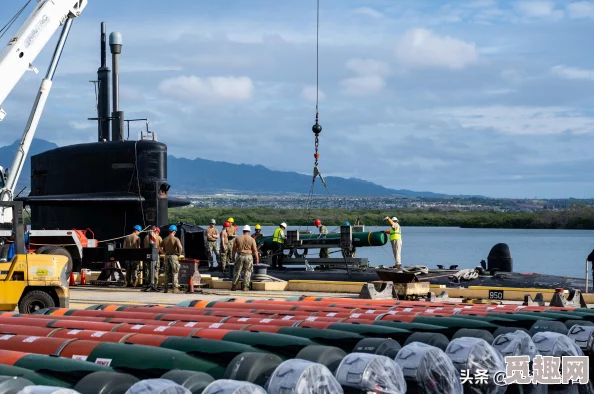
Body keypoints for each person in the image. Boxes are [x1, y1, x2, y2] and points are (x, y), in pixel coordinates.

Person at [231, 225, 259, 291]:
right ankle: (245, 286)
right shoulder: (252, 239)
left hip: (240, 255)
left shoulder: (237, 238)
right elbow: (255, 250)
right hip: (249, 256)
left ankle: (234, 285)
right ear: (249, 231)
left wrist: (232, 257)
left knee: (237, 271)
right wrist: (257, 259)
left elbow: (234, 249)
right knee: (247, 272)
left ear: (243, 231)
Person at [162, 224, 183, 293]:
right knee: (175, 272)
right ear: (174, 232)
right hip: (174, 256)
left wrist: (163, 252)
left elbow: (159, 247)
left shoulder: (165, 239)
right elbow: (180, 247)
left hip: (167, 256)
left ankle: (165, 289)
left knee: (167, 273)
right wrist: (179, 254)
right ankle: (175, 288)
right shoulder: (176, 239)